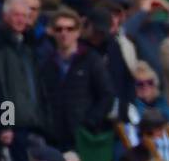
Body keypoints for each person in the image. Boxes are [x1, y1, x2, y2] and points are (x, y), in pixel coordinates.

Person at [38, 8, 113, 152]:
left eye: (69, 29)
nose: (64, 33)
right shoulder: (45, 64)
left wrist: (90, 122)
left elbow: (107, 95)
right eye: (58, 29)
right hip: (54, 138)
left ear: (78, 32)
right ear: (52, 32)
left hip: (84, 136)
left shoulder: (91, 60)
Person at [0, 0, 45, 153]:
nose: (21, 20)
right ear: (4, 16)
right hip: (11, 128)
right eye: (16, 15)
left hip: (30, 123)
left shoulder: (26, 44)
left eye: (25, 16)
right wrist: (5, 124)